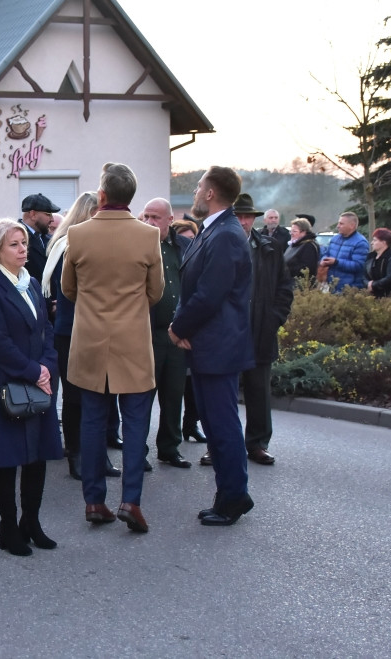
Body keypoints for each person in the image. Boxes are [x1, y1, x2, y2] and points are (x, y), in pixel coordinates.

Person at [63, 163, 163, 533]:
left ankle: (94, 500)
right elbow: (156, 292)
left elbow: (68, 289)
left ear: (101, 195)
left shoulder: (78, 233)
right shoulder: (148, 236)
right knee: (136, 425)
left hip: (89, 341)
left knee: (91, 423)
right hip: (132, 343)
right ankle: (131, 501)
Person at [169, 166, 255, 526]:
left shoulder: (226, 236)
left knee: (222, 427)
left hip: (217, 346)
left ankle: (234, 496)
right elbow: (193, 287)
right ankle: (229, 493)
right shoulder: (216, 230)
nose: (194, 192)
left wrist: (178, 326)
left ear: (210, 193)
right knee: (218, 425)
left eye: (198, 187)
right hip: (208, 345)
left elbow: (209, 295)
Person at [0, 218, 62, 555]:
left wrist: (48, 367)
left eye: (24, 242)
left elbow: (46, 332)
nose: (23, 249)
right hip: (4, 380)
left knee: (37, 454)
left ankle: (32, 522)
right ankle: (7, 526)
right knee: (7, 457)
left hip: (38, 376)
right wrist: (33, 371)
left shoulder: (32, 283)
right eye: (14, 244)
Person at [42, 192, 102, 480]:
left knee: (97, 394)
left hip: (89, 328)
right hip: (71, 329)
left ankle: (93, 454)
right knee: (77, 395)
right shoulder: (68, 246)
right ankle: (76, 454)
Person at [231, 194, 294, 467]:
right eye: (239, 216)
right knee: (225, 394)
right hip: (228, 332)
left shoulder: (269, 247)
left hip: (260, 330)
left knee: (259, 391)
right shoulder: (220, 245)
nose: (244, 222)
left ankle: (257, 443)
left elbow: (285, 287)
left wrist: (274, 319)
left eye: (248, 217)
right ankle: (221, 444)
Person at [139, 197, 198, 460]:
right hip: (146, 333)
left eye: (155, 218)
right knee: (141, 397)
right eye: (146, 217)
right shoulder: (137, 245)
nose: (149, 222)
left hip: (176, 334)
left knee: (173, 395)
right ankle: (137, 450)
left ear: (170, 220)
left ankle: (169, 447)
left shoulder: (185, 246)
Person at [320, 212, 369, 291]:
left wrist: (337, 262)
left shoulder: (360, 243)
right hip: (333, 286)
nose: (338, 226)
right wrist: (323, 260)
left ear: (352, 226)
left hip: (350, 287)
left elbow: (359, 265)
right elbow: (327, 254)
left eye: (341, 224)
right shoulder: (334, 239)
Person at [19, 193, 60, 283]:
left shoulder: (48, 238)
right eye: (48, 214)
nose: (52, 219)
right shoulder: (15, 237)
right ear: (33, 214)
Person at [366, 227, 391, 298]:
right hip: (373, 297)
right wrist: (367, 284)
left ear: (384, 242)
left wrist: (374, 285)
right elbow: (364, 274)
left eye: (375, 240)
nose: (372, 243)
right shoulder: (370, 257)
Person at [283, 217, 320, 286]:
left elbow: (306, 269)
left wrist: (286, 269)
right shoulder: (295, 244)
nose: (291, 233)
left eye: (294, 231)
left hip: (301, 286)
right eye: (291, 231)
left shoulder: (309, 246)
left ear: (303, 232)